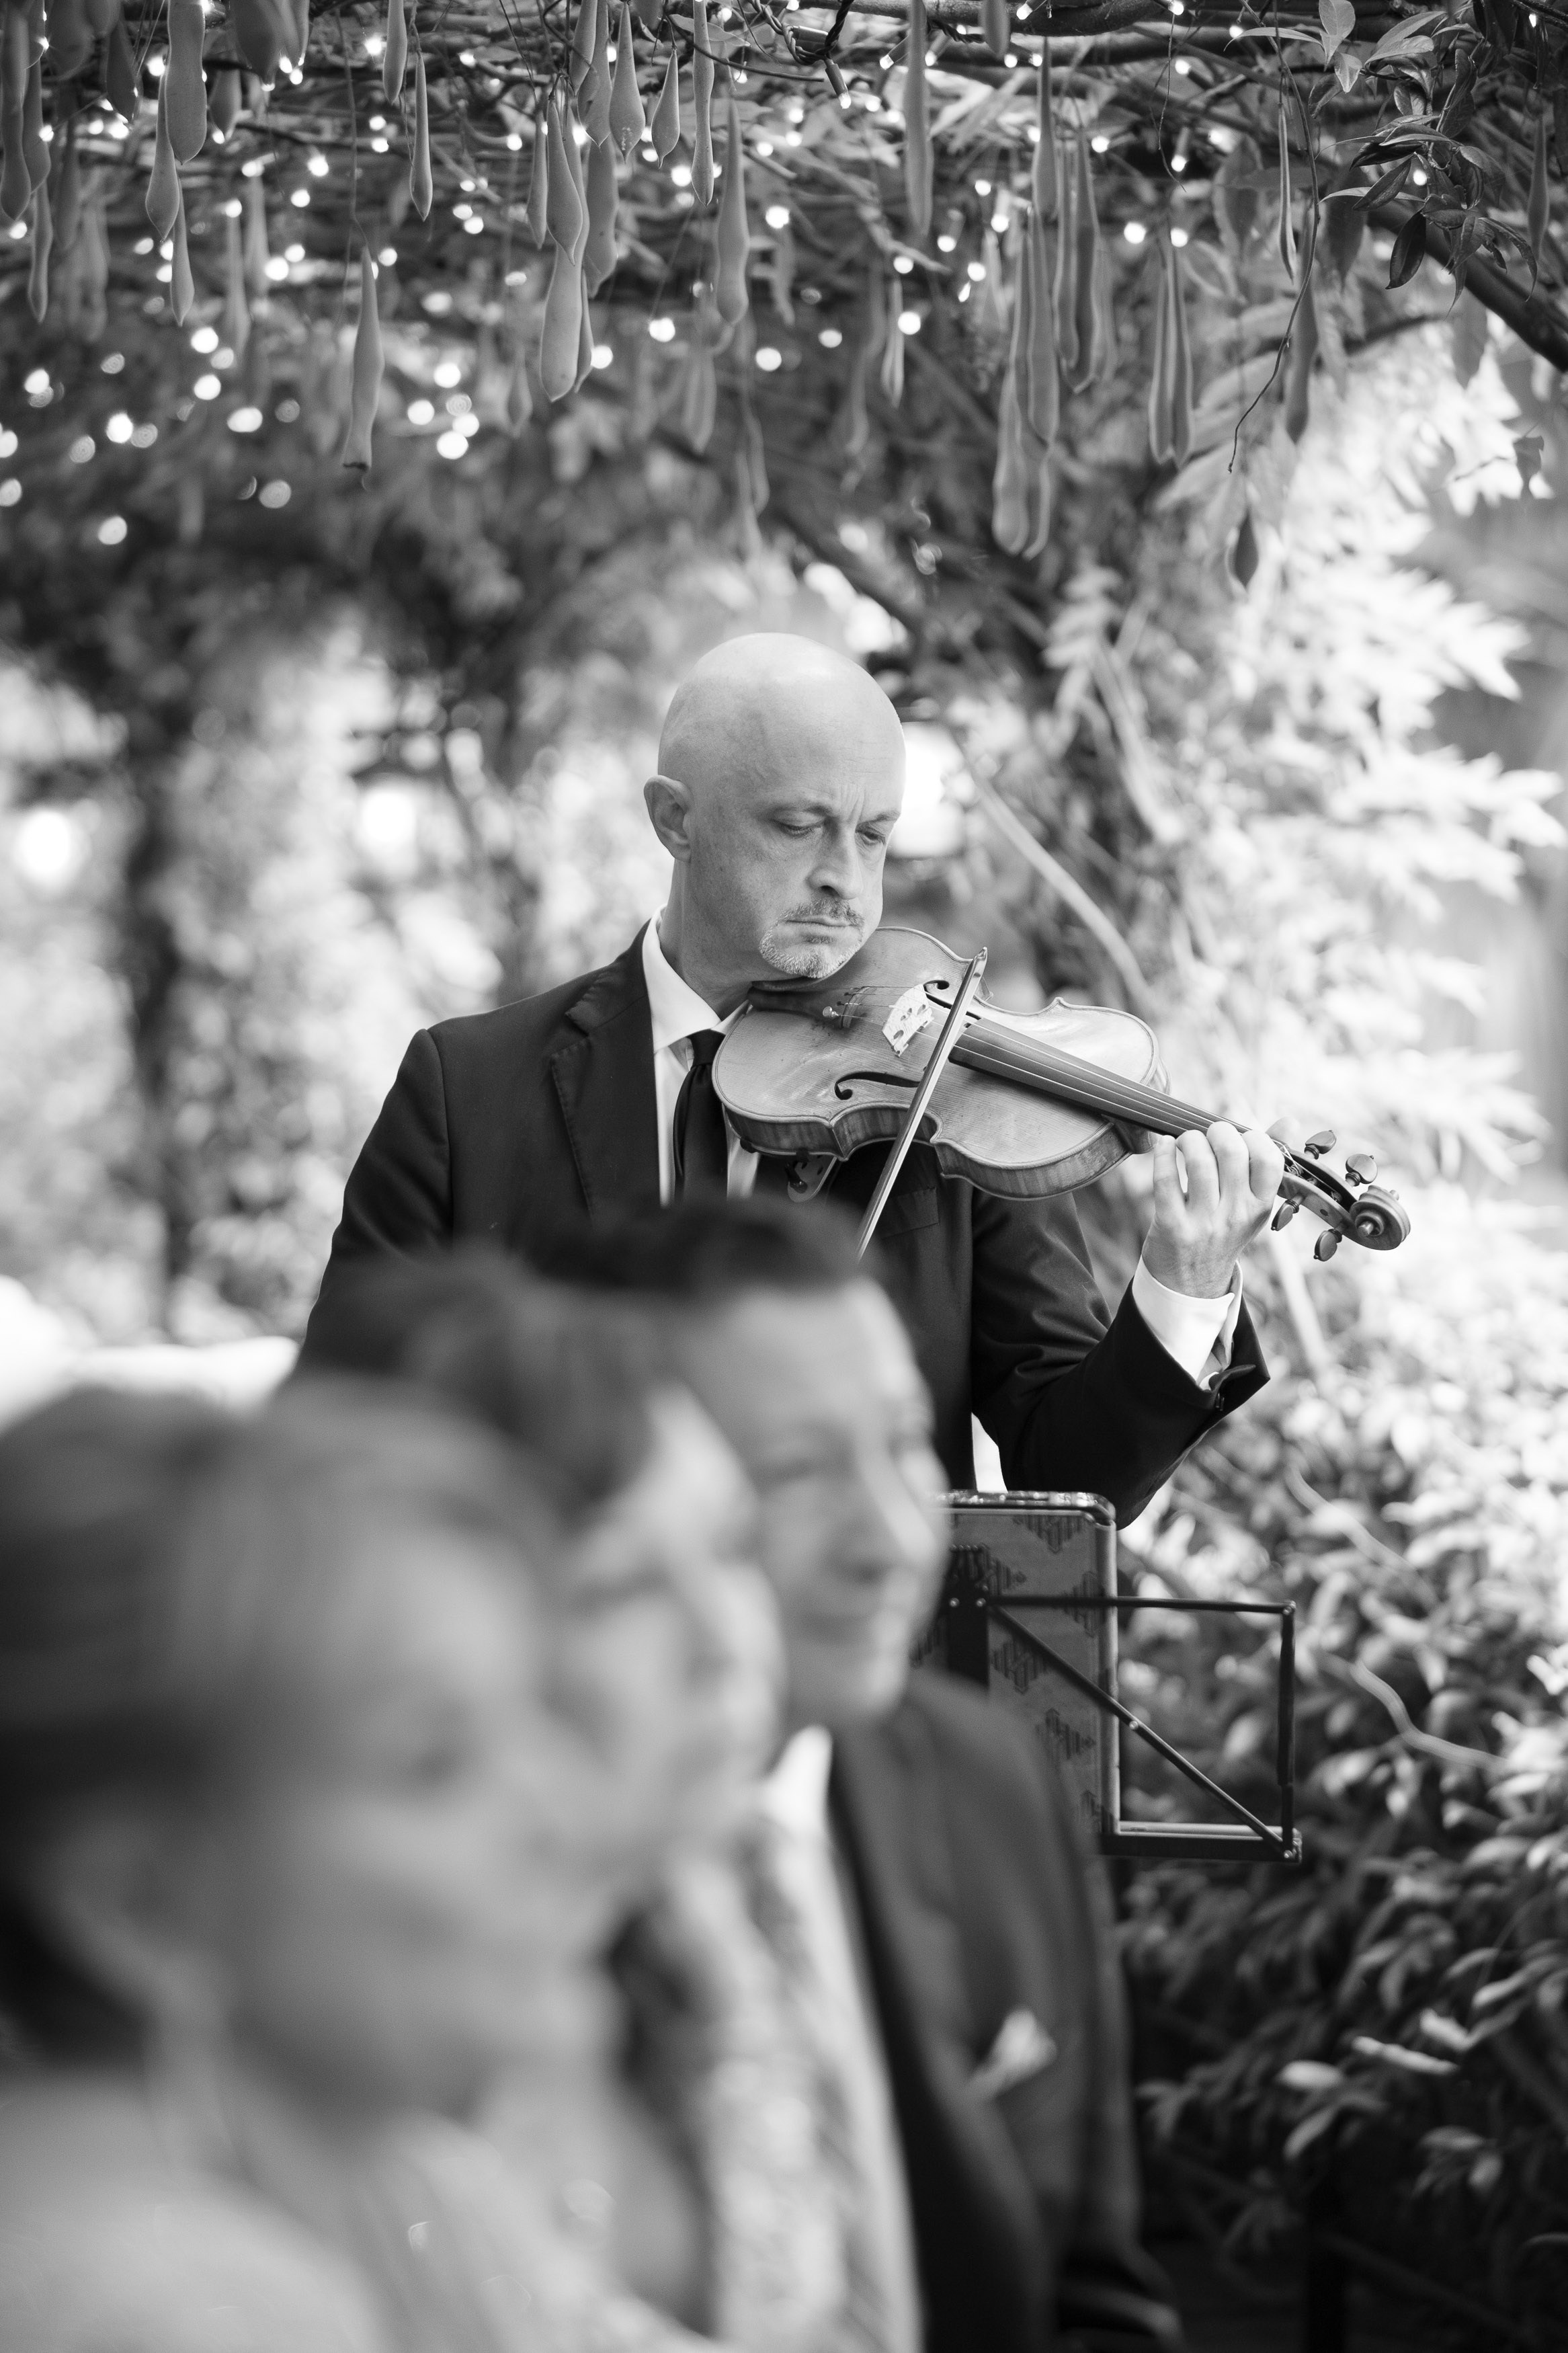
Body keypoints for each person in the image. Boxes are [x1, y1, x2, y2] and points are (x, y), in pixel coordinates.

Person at [302, 631, 1280, 1527]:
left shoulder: (951, 1098)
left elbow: (1072, 1481)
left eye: (872, 834)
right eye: (799, 826)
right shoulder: (464, 1087)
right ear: (674, 821)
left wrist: (1181, 1287)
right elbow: (340, 1431)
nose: (844, 880)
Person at [0, 1383, 841, 2353]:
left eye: (532, 1710)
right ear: (138, 1903)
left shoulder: (402, 2188)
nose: (558, 1814)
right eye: (432, 1765)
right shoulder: (165, 2310)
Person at [565, 1198, 1186, 2353]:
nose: (892, 1538)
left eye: (904, 1441)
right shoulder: (503, 1872)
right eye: (798, 1471)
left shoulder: (991, 1775)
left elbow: (1092, 2295)